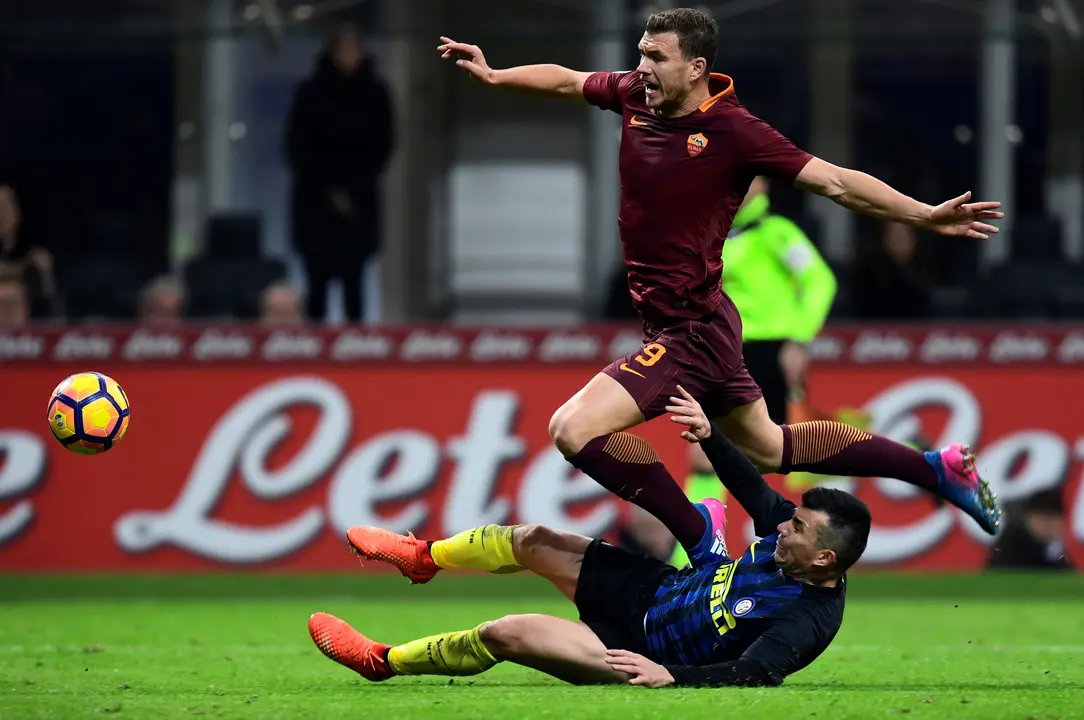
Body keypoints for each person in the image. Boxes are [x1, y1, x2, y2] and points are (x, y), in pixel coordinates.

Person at [436, 8, 1001, 564]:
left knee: (573, 427)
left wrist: (924, 216)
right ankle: (936, 468)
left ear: (696, 66)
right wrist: (495, 75)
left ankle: (696, 529)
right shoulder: (637, 94)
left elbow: (835, 182)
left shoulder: (734, 131)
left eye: (656, 56)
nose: (642, 66)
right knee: (769, 447)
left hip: (692, 330)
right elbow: (568, 80)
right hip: (698, 321)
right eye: (640, 53)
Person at [309, 387, 870, 688]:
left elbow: (755, 672)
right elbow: (749, 481)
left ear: (824, 557)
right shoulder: (785, 535)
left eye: (797, 528)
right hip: (656, 591)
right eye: (791, 515)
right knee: (532, 538)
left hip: (635, 653)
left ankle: (383, 660)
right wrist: (709, 433)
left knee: (507, 633)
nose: (782, 525)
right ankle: (423, 558)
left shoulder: (807, 619)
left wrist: (668, 675)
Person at [285, 25, 395, 323]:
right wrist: (329, 189)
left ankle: (356, 353)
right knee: (316, 287)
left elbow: (382, 147)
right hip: (315, 204)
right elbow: (297, 149)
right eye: (343, 50)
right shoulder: (310, 94)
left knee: (354, 284)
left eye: (355, 49)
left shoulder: (375, 94)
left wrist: (353, 191)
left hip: (359, 206)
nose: (350, 57)